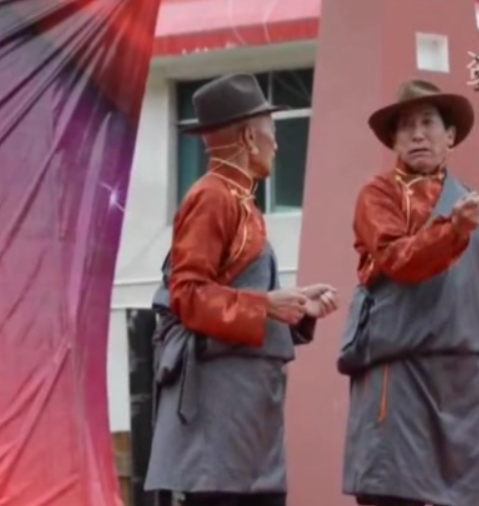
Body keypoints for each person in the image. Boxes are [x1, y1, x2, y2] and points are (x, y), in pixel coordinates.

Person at [144, 73, 340, 506]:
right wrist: (265, 304)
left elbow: (239, 296)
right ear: (250, 137)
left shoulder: (238, 202)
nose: (277, 144)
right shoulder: (213, 197)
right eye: (272, 132)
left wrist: (296, 307)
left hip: (247, 417)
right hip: (222, 419)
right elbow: (187, 295)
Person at [336, 79, 479, 506]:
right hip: (399, 375)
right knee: (392, 494)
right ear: (394, 140)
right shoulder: (379, 195)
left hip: (458, 387)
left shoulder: (469, 204)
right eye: (406, 126)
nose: (417, 134)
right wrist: (453, 231)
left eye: (428, 122)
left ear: (450, 135)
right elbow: (398, 259)